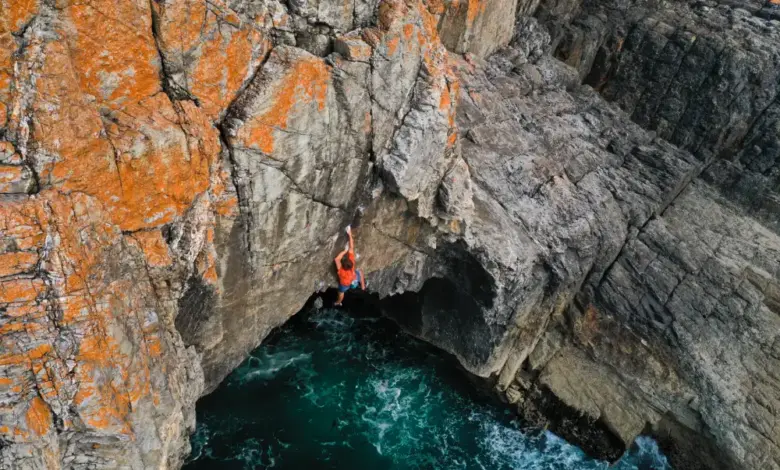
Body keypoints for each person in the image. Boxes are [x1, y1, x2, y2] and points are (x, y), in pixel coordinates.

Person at [334, 225, 365, 306]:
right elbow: (351, 247)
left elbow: (337, 259)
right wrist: (349, 233)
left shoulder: (341, 271)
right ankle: (362, 284)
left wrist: (344, 251)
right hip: (353, 278)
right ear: (351, 265)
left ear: (343, 266)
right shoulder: (352, 263)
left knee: (340, 293)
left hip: (345, 284)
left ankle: (338, 302)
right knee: (359, 271)